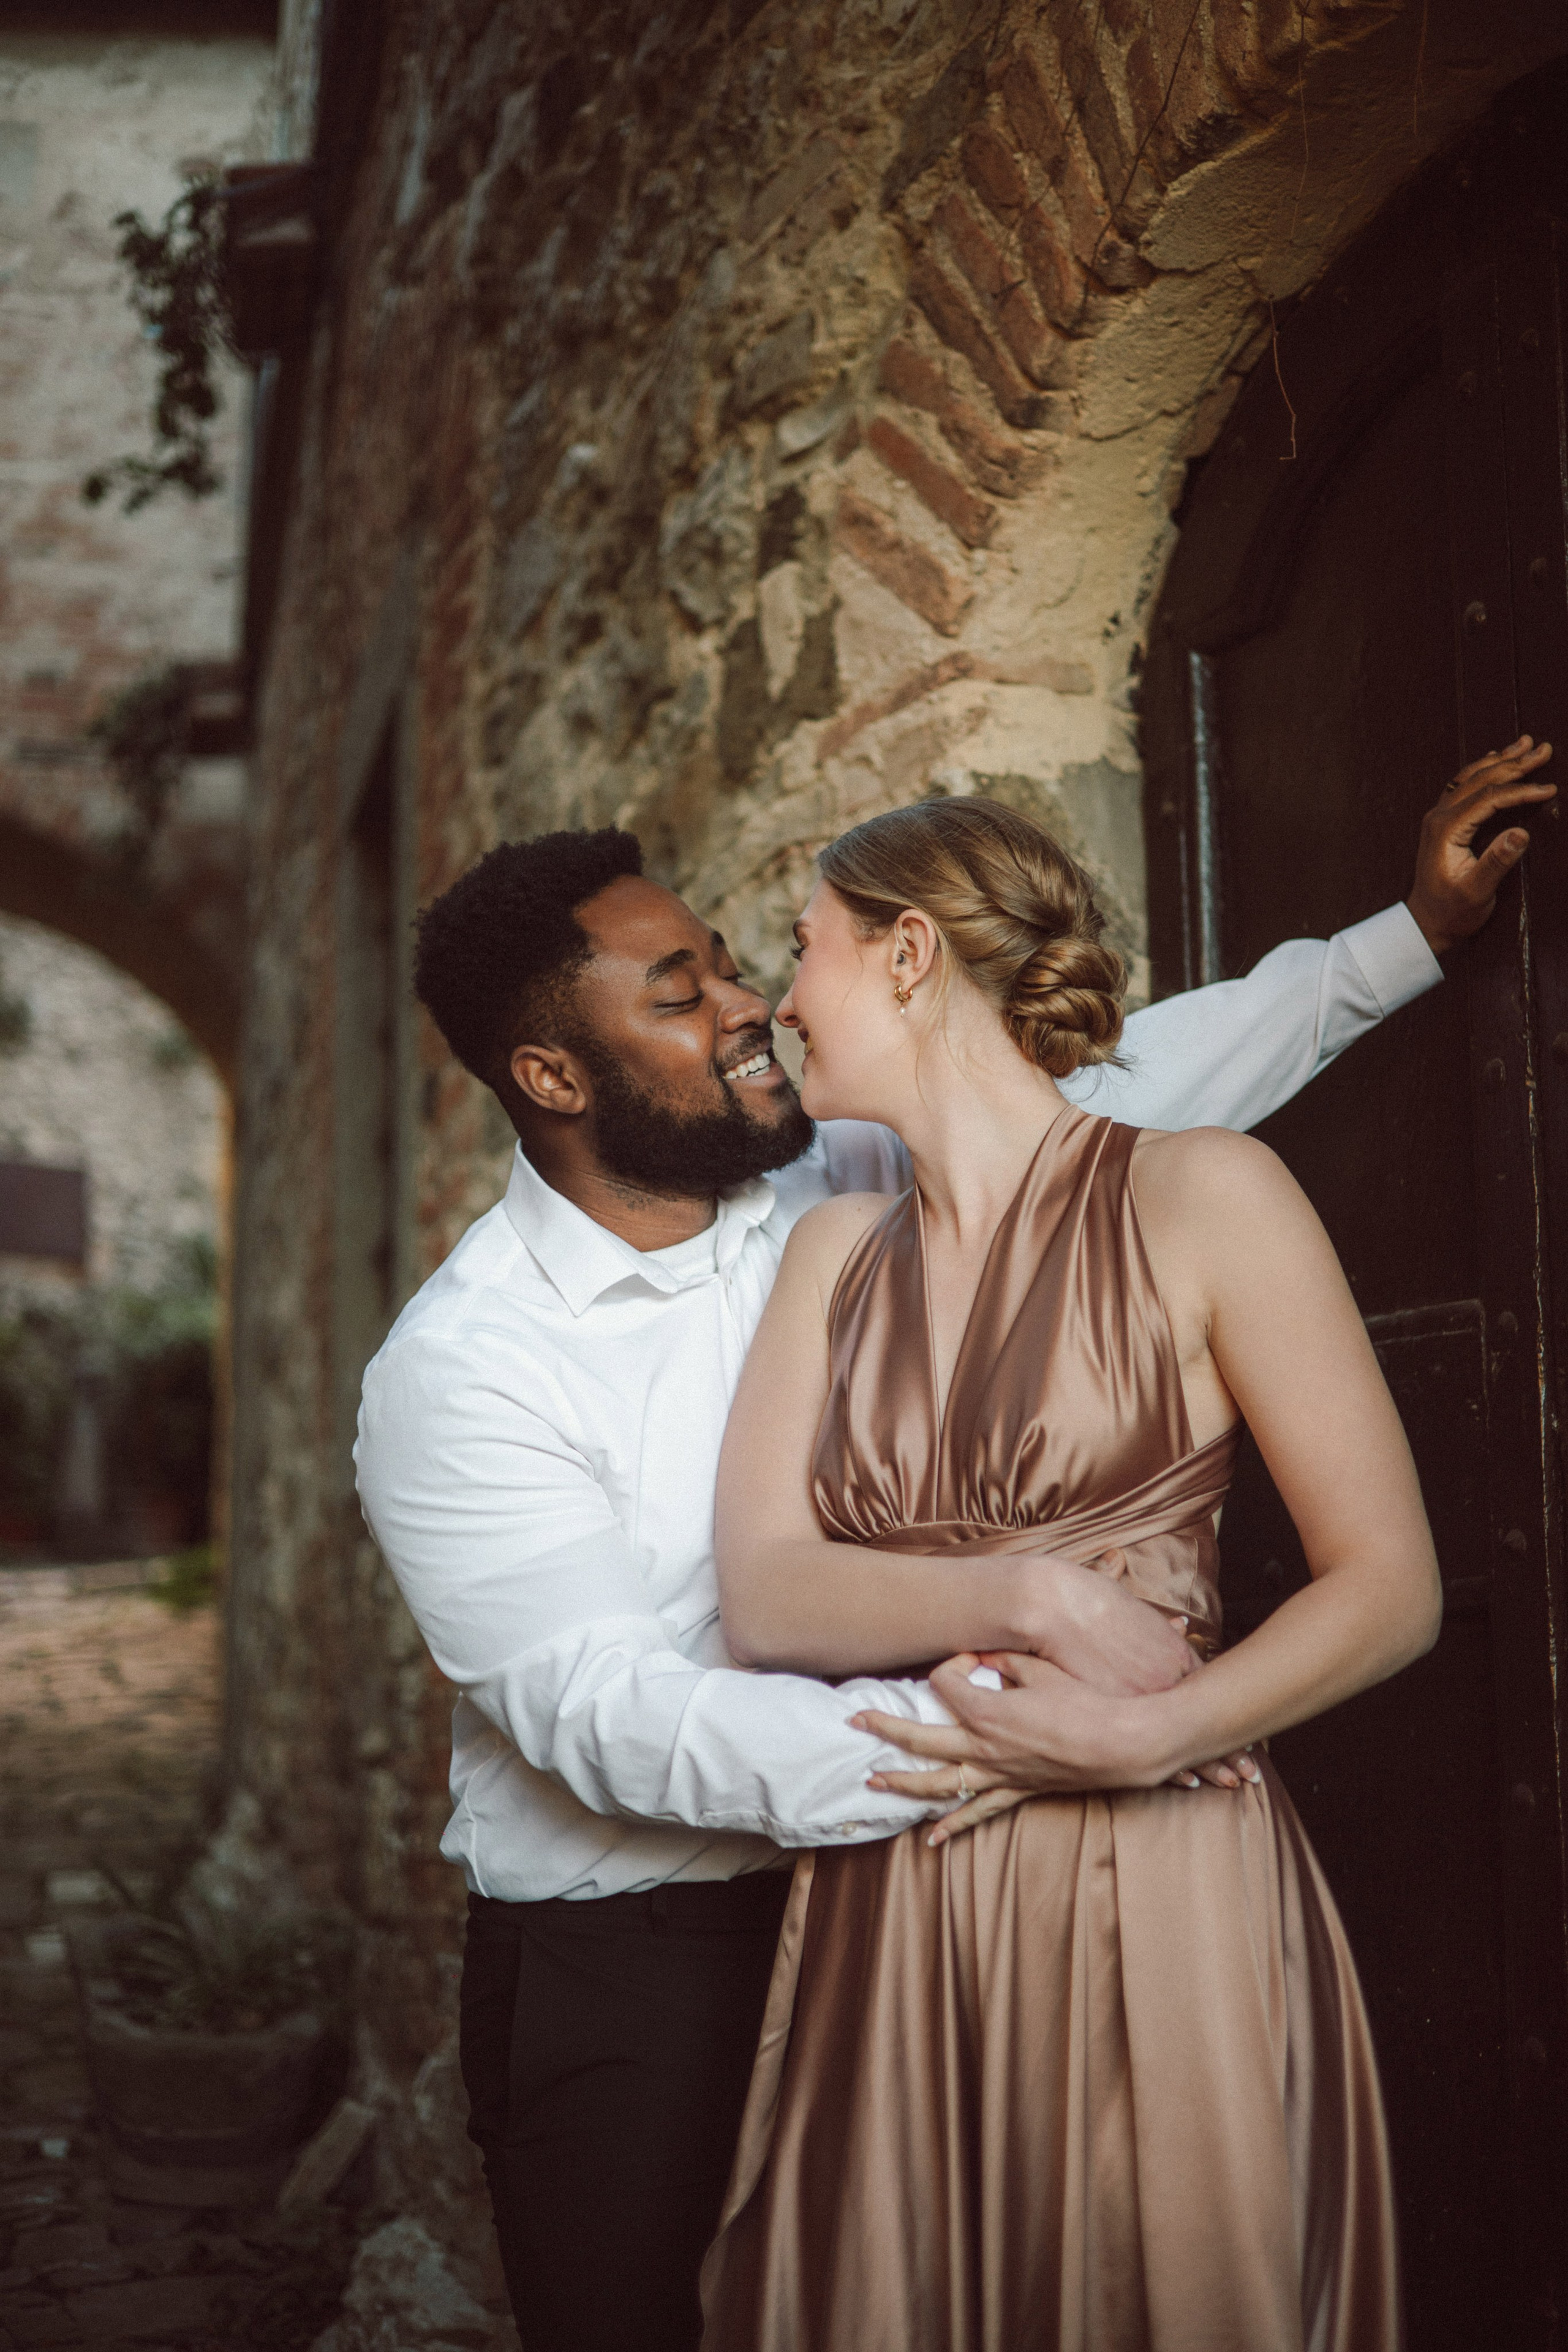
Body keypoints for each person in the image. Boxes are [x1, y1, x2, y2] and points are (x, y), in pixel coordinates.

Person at [352, 740, 1553, 2352]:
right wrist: (1010, 1725)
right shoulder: (465, 1366)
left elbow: (1106, 1103)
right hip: (641, 1948)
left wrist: (1403, 938)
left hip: (910, 1885)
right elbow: (604, 1712)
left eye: (743, 959)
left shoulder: (827, 1184)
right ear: (555, 1078)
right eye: (679, 992)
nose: (747, 1009)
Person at [696, 794, 1446, 2351]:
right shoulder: (832, 1254)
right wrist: (1027, 1593)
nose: (778, 997)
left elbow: (1388, 1581)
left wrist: (1155, 1732)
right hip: (896, 1887)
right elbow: (764, 1589)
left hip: (1160, 1871)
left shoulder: (1205, 1195)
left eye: (801, 948)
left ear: (908, 954)